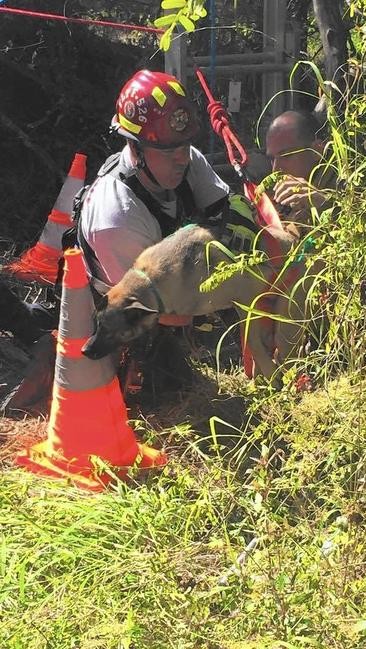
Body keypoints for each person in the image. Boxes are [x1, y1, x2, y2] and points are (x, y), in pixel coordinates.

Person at [77, 69, 232, 397]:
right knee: (165, 393)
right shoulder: (116, 220)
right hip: (136, 317)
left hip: (175, 279)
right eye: (168, 152)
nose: (182, 159)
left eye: (185, 145)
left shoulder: (181, 156)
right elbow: (168, 315)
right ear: (136, 149)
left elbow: (225, 212)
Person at [265, 109, 334, 238]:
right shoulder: (283, 197)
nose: (275, 169)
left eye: (285, 155)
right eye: (272, 159)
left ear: (316, 150)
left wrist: (323, 204)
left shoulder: (350, 183)